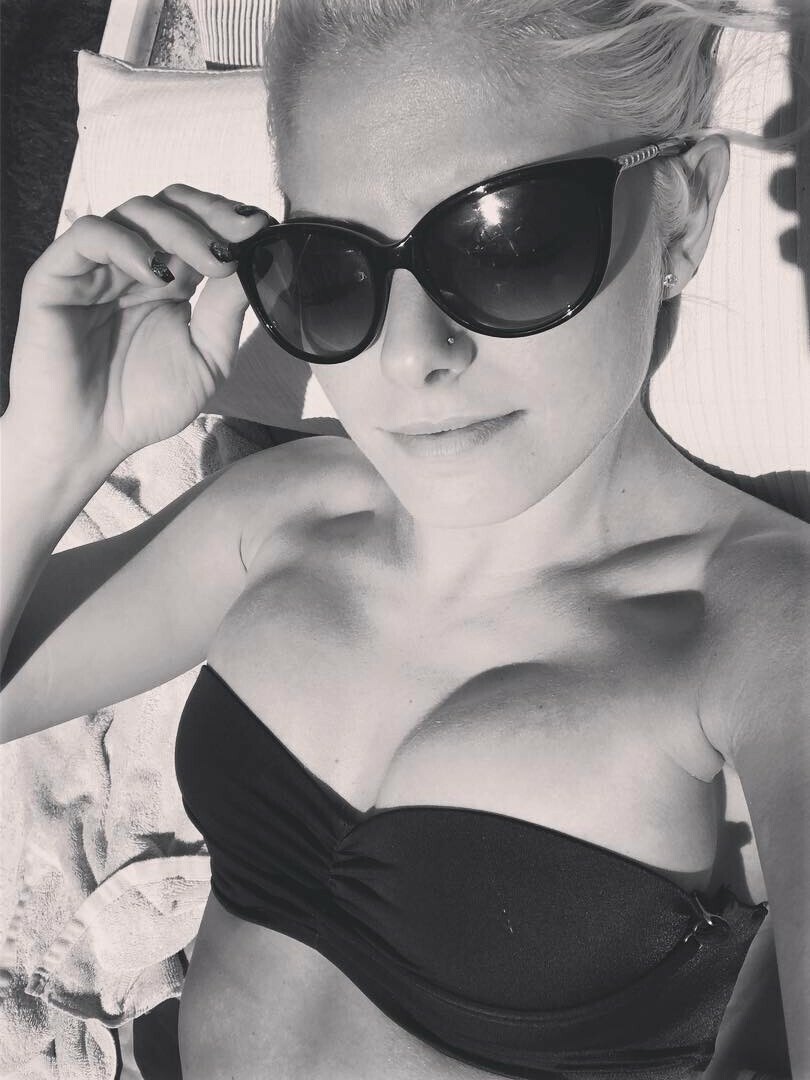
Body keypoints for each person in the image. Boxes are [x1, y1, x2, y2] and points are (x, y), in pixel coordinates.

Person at [1, 0, 808, 1077]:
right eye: (332, 268)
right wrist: (53, 447)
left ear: (686, 211)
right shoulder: (287, 512)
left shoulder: (763, 635)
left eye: (506, 241)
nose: (409, 353)